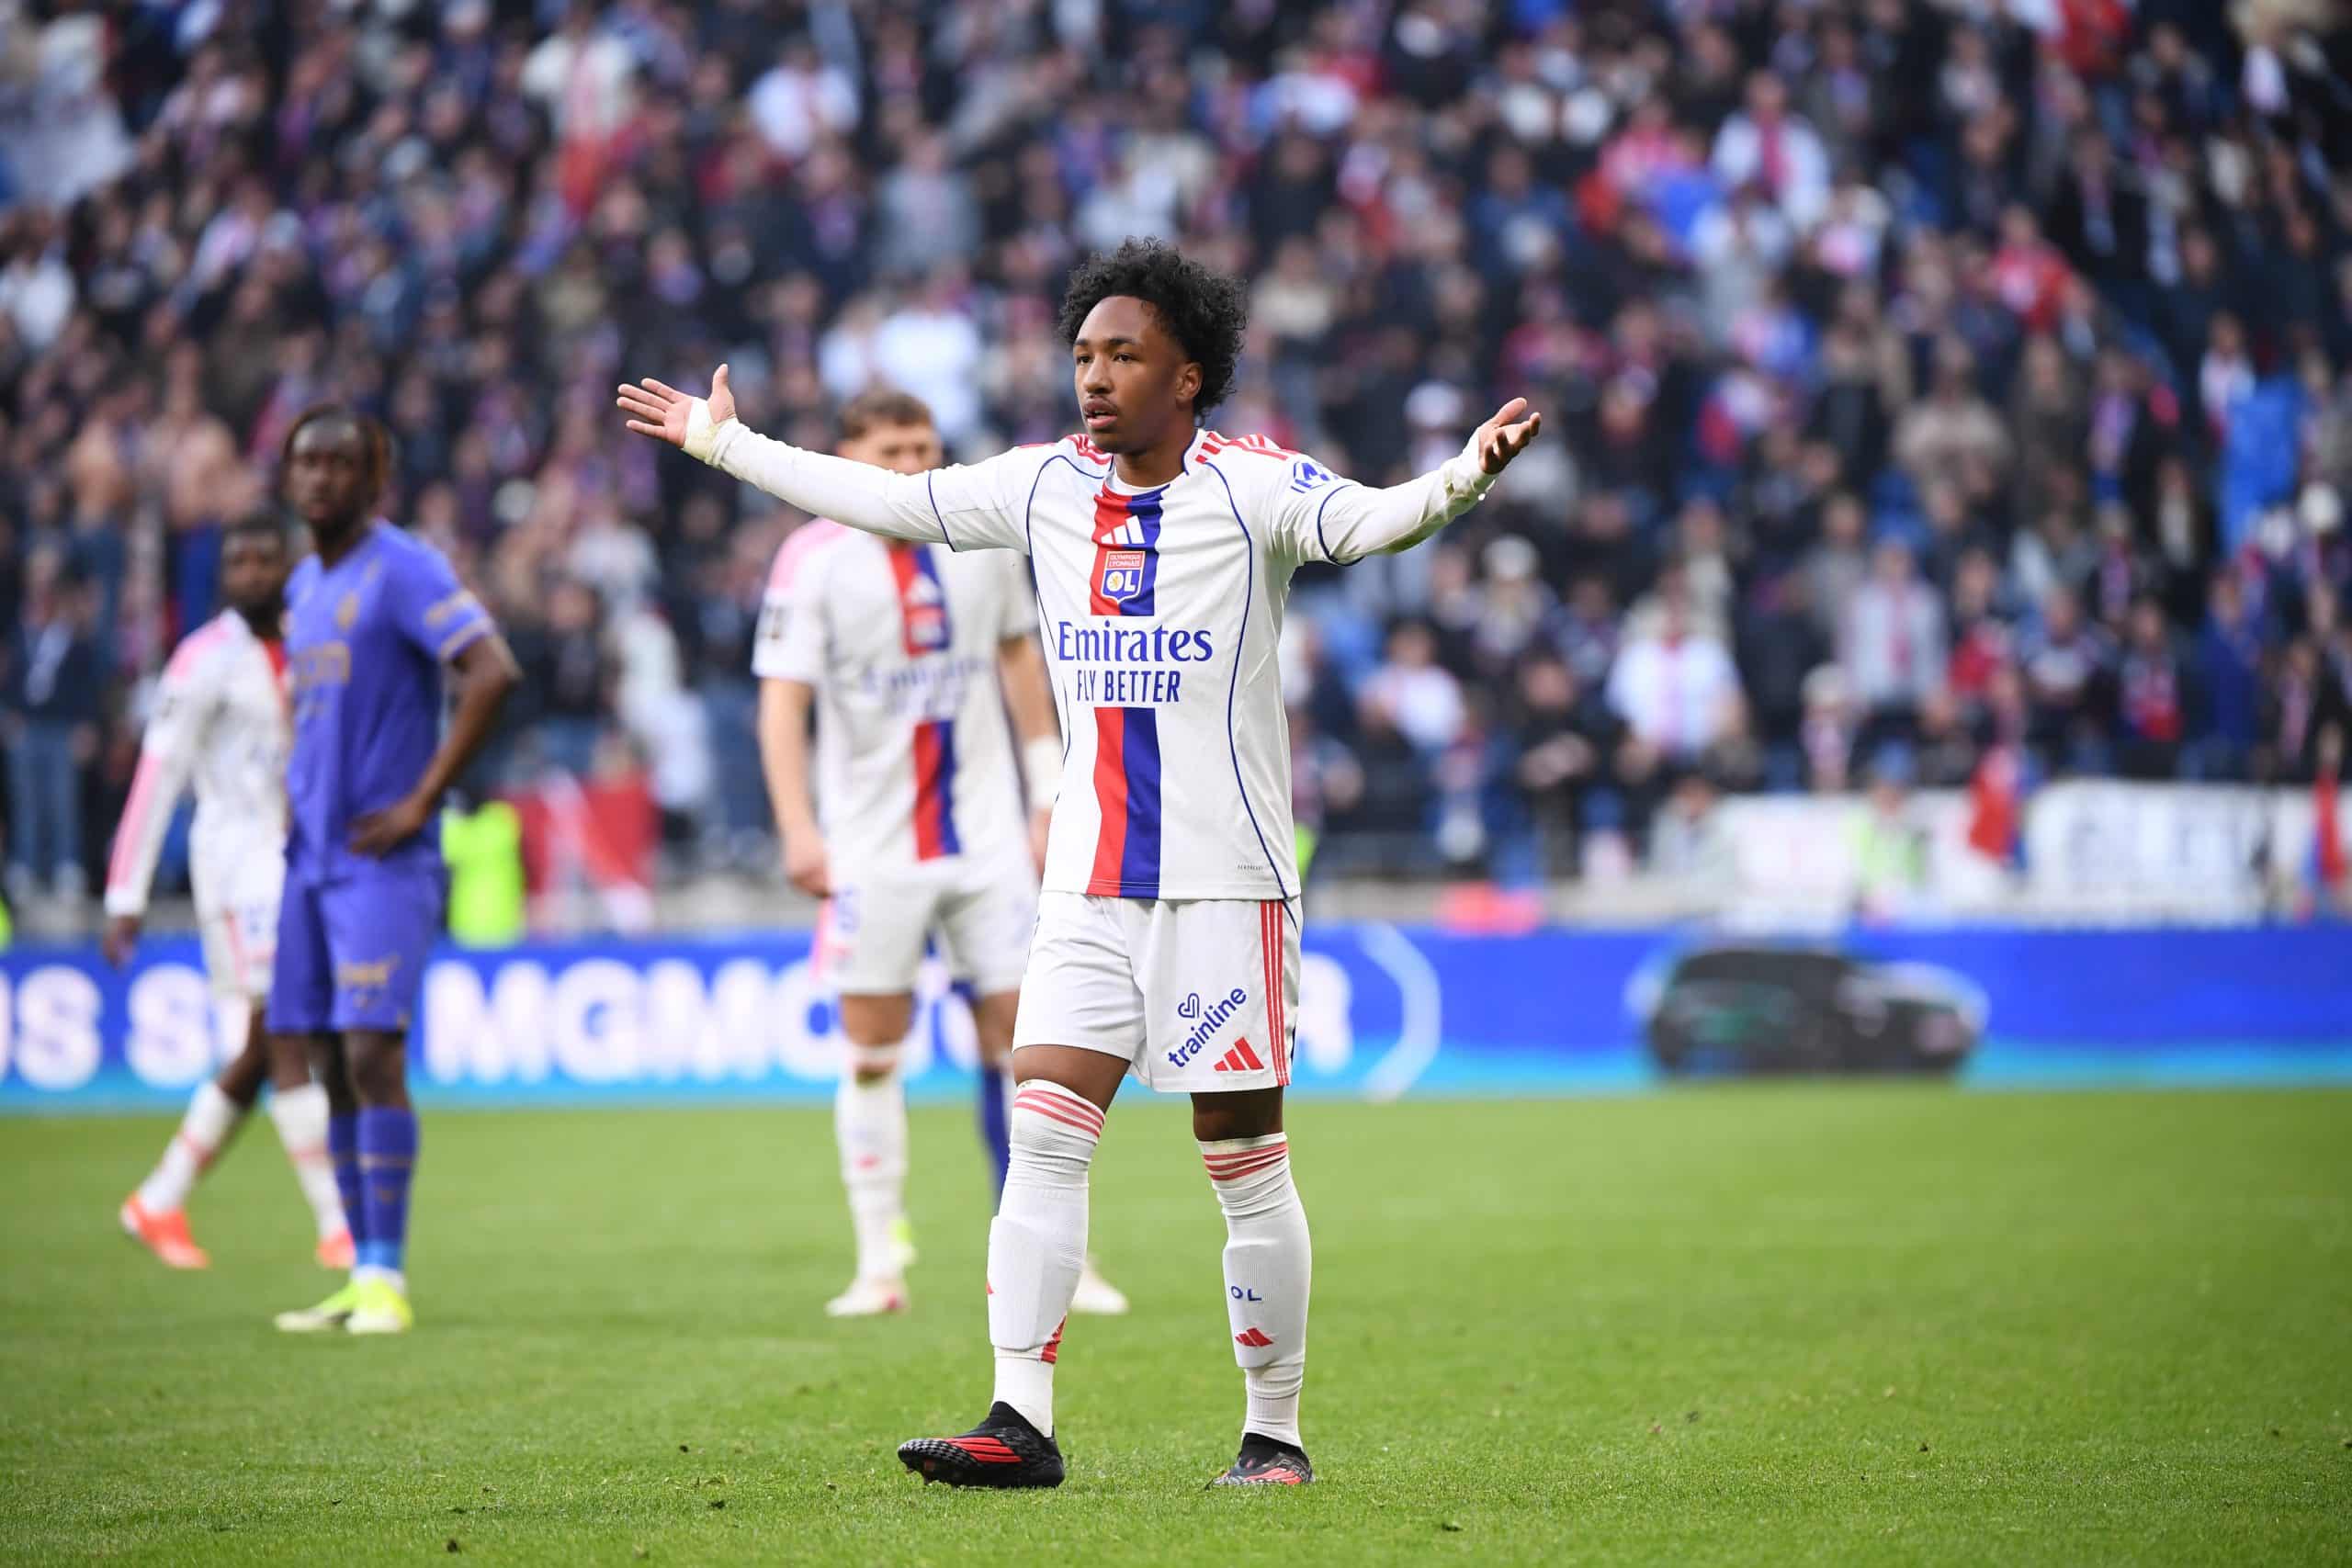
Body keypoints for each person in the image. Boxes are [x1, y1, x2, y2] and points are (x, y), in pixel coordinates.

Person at [620, 237, 1539, 1489]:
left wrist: (1466, 475)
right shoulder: (1043, 485)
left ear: (1190, 375)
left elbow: (1369, 522)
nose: (1094, 377)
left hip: (1225, 885)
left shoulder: (1254, 486)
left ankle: (1274, 1430)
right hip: (1091, 882)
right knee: (1043, 1125)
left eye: (1124, 355)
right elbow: (891, 500)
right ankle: (1020, 1414)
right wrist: (725, 443)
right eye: (1083, 355)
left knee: (1241, 1156)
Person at [753, 388, 1125, 1319]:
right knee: (872, 1051)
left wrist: (1049, 793)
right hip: (870, 849)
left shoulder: (978, 538)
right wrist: (797, 827)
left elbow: (1018, 662)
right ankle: (880, 1263)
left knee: (1024, 1048)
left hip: (988, 839)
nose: (914, 466)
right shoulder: (810, 560)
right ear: (847, 456)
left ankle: (1056, 1261)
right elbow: (781, 704)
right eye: (891, 450)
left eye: (924, 447)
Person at [266, 407, 519, 1337]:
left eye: (341, 463)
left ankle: (387, 1277)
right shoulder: (302, 584)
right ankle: (357, 1270)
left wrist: (421, 801)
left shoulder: (403, 564)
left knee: (371, 1052)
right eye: (307, 463)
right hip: (311, 860)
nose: (321, 478)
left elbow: (491, 669)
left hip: (384, 855)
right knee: (327, 1057)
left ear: (375, 479)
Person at [106, 514, 352, 1271]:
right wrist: (125, 890)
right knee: (286, 1031)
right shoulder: (202, 658)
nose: (248, 570)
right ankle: (338, 1225)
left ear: (287, 565)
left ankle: (159, 1196)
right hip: (239, 865)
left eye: (262, 558)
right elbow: (158, 775)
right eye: (236, 560)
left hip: (298, 862)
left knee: (260, 1042)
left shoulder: (308, 638)